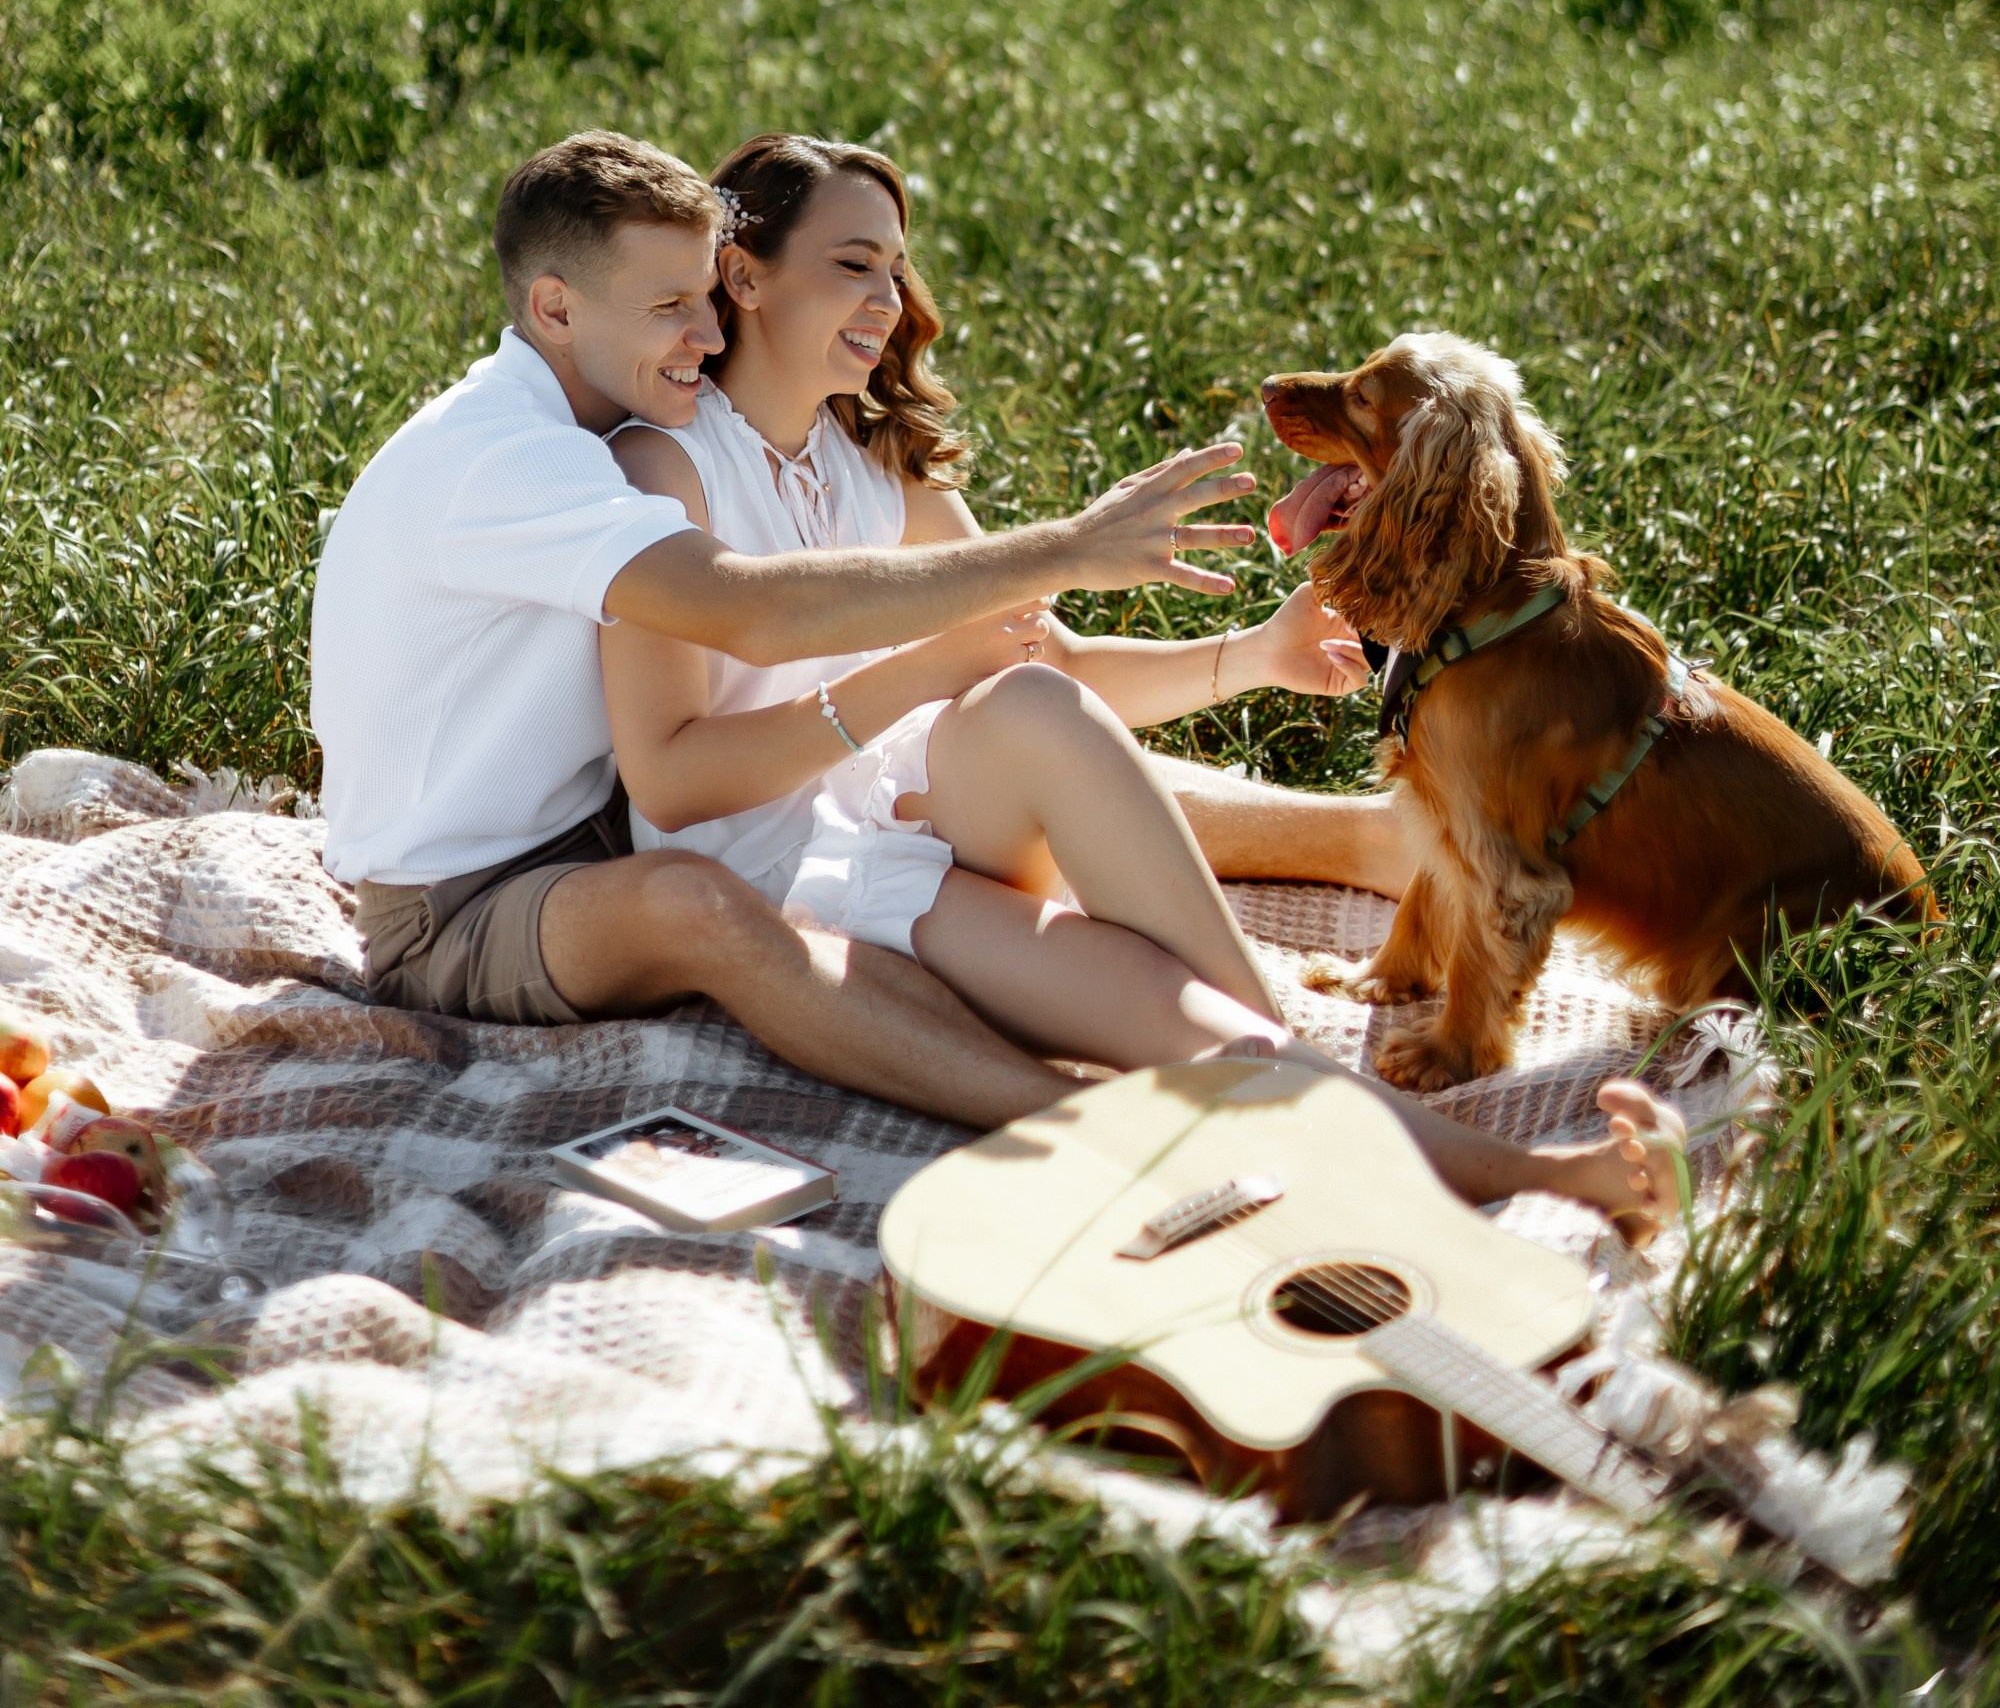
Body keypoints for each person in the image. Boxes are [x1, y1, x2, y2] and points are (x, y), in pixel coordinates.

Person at [601, 132, 1683, 1231]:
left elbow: (1052, 665)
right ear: (743, 275)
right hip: (778, 869)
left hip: (912, 803)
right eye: (850, 264)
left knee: (1031, 702)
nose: (887, 298)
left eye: (894, 267)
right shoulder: (667, 469)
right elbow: (677, 787)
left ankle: (1308, 1078)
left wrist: (1247, 657)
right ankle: (1522, 1176)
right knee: (1184, 1028)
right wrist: (926, 672)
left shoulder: (872, 461)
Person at [311, 129, 1264, 1132]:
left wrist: (1245, 657)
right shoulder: (507, 459)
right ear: (554, 307)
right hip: (452, 906)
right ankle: (1073, 1124)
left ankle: (1231, 1057)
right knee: (702, 903)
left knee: (932, 817)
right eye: (673, 308)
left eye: (705, 299)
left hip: (589, 835)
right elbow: (754, 610)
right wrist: (1064, 549)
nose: (710, 334)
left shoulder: (601, 433)